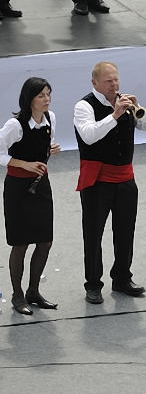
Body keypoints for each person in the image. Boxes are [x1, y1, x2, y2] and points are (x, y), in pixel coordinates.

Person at [74, 62, 146, 304]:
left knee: (125, 231)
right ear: (95, 83)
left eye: (116, 80)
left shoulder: (126, 104)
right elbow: (89, 136)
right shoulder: (84, 106)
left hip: (125, 179)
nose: (114, 85)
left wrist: (138, 107)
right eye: (108, 81)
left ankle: (122, 277)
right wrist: (114, 115)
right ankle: (93, 284)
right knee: (93, 234)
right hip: (97, 181)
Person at [1, 78, 61, 315]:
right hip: (18, 189)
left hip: (41, 186)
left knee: (45, 241)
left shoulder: (50, 119)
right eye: (41, 96)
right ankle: (17, 294)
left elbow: (43, 147)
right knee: (21, 243)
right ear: (29, 99)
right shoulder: (14, 125)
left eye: (48, 94)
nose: (46, 100)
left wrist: (51, 150)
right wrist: (23, 164)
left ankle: (33, 290)